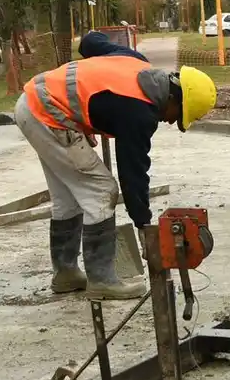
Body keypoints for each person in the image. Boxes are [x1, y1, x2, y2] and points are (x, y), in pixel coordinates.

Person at [14, 55, 218, 299]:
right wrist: (143, 224)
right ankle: (102, 281)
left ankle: (65, 273)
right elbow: (132, 172)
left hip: (34, 102)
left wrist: (81, 114)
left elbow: (92, 42)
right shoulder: (140, 113)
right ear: (174, 98)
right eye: (178, 115)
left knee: (68, 197)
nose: (171, 121)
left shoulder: (140, 65)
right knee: (101, 190)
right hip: (48, 113)